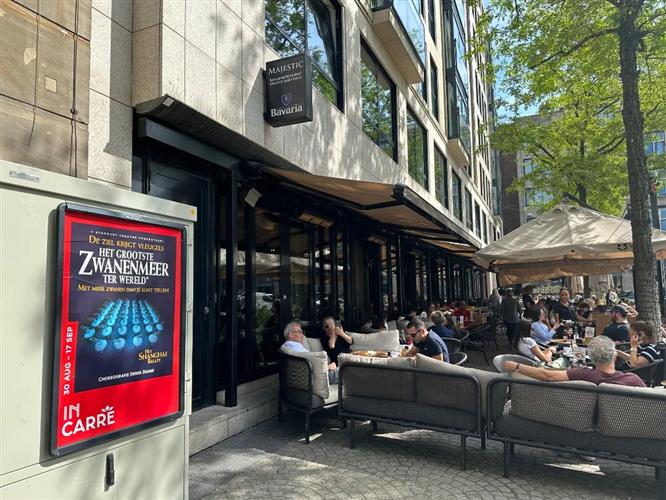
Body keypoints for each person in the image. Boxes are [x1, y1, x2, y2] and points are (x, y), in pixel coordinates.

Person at [502, 335, 645, 387]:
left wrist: (517, 366)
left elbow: (547, 375)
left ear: (591, 358)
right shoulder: (633, 379)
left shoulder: (583, 374)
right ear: (614, 356)